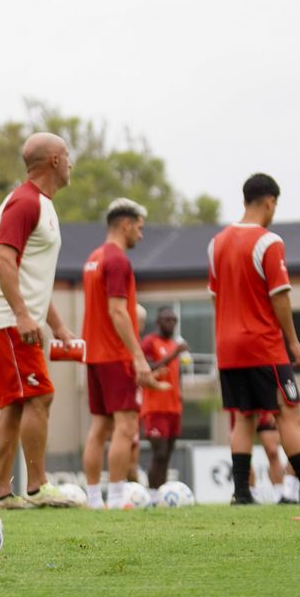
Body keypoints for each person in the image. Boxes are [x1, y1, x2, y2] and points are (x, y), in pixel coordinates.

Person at [208, 173, 300, 504]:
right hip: (263, 345)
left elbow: (215, 296)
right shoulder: (269, 242)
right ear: (270, 202)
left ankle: (241, 492)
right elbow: (280, 296)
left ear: (244, 201)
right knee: (288, 413)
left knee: (244, 416)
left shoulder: (216, 243)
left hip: (227, 347)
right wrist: (293, 342)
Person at [0, 132, 78, 511]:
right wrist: (21, 314)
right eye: (66, 155)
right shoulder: (24, 202)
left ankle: (1, 493)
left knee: (16, 404)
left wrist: (58, 325)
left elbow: (33, 276)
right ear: (53, 161)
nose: (70, 162)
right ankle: (38, 486)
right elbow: (5, 261)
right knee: (41, 395)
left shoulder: (43, 206)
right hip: (7, 319)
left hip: (13, 319)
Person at [81, 199, 155, 509]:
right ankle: (116, 497)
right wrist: (138, 355)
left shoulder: (94, 258)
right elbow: (118, 312)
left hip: (94, 356)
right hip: (115, 356)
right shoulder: (117, 260)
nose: (141, 234)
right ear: (125, 225)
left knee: (99, 427)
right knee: (125, 428)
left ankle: (95, 500)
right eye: (139, 227)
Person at [140, 305, 187, 496]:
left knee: (167, 455)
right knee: (158, 454)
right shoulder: (150, 342)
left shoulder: (173, 345)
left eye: (174, 320)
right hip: (155, 407)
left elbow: (176, 374)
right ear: (158, 321)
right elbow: (147, 368)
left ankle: (161, 495)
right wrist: (174, 354)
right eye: (168, 319)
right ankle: (152, 493)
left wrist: (180, 392)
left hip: (173, 408)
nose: (172, 323)